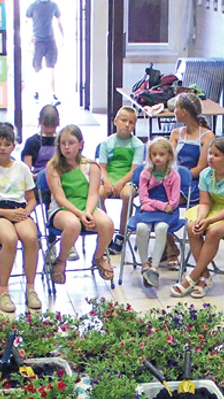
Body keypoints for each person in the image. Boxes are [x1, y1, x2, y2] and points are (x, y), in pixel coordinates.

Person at [0, 122, 41, 313]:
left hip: (18, 210)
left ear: (13, 145)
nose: (3, 148)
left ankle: (30, 288)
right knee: (10, 239)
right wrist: (6, 213)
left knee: (30, 237)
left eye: (7, 144)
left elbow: (31, 199)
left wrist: (26, 212)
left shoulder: (21, 168)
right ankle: (3, 290)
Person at [175, 136, 224, 299]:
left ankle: (193, 277)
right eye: (210, 153)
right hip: (214, 210)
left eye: (216, 155)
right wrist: (201, 219)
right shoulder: (206, 174)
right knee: (192, 226)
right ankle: (205, 276)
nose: (210, 157)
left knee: (213, 231)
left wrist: (209, 221)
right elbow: (204, 202)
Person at [45, 124, 114, 284]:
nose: (67, 147)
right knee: (73, 225)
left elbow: (92, 194)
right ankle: (61, 260)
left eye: (71, 143)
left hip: (86, 205)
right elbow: (59, 197)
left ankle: (98, 257)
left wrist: (88, 212)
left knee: (107, 223)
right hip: (63, 208)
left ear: (81, 144)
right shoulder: (53, 166)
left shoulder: (91, 166)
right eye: (63, 143)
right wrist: (80, 214)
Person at [167, 92, 215, 268]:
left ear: (184, 112)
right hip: (173, 179)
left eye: (176, 108)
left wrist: (180, 178)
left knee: (168, 201)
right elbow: (168, 160)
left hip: (193, 183)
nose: (174, 111)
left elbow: (200, 169)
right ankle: (169, 245)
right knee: (156, 197)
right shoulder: (176, 133)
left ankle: (171, 250)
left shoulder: (207, 136)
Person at [130, 137, 181, 289]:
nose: (157, 158)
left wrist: (155, 205)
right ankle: (145, 264)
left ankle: (155, 268)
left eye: (161, 154)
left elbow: (174, 202)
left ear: (169, 156)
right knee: (141, 228)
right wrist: (159, 205)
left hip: (167, 213)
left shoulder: (174, 176)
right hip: (151, 210)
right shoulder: (145, 173)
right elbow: (143, 198)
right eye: (154, 154)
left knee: (161, 228)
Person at [99, 106, 144, 254]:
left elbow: (134, 170)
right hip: (110, 176)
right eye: (123, 120)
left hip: (127, 178)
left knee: (127, 194)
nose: (127, 125)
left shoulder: (137, 145)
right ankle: (106, 230)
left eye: (131, 122)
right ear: (115, 121)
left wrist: (120, 183)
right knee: (98, 194)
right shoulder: (106, 143)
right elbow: (102, 168)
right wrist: (106, 182)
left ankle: (122, 234)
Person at [26, 0, 64, 103]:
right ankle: (36, 92)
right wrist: (29, 38)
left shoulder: (53, 5)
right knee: (37, 68)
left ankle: (53, 94)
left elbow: (59, 22)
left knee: (51, 68)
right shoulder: (33, 5)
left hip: (50, 41)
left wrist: (63, 37)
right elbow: (25, 22)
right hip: (37, 41)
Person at [22, 104, 60, 177]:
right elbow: (27, 171)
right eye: (46, 126)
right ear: (39, 121)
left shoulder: (62, 141)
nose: (49, 130)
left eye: (52, 126)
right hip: (38, 179)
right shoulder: (31, 142)